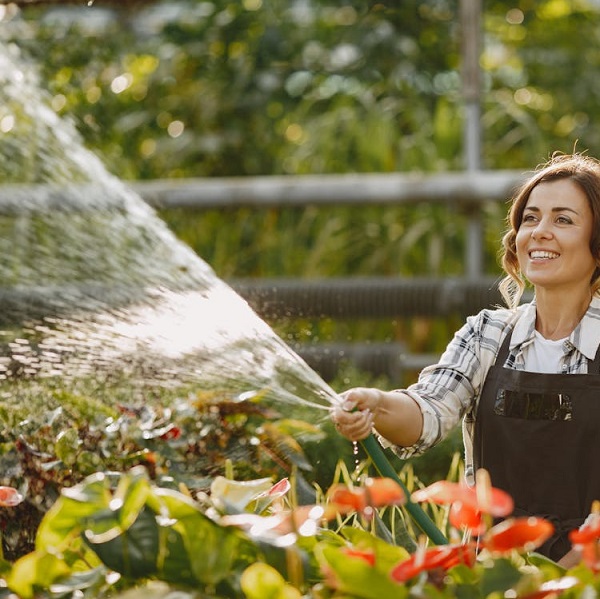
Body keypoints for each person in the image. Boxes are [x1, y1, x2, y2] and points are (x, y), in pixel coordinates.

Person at [332, 152, 600, 565]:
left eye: (563, 220)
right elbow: (428, 413)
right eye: (530, 219)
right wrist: (378, 404)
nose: (540, 232)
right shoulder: (488, 334)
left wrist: (565, 578)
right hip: (495, 571)